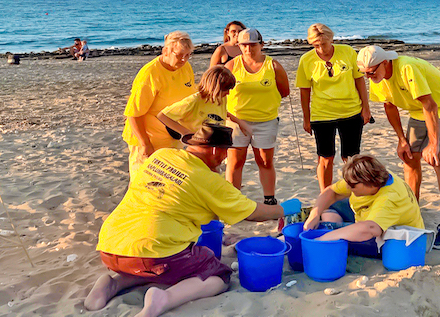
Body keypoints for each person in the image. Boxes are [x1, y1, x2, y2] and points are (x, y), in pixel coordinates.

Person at [84, 124, 301, 317]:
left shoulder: (162, 156)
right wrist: (284, 209)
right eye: (225, 152)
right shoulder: (209, 180)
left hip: (110, 247)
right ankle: (163, 300)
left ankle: (113, 283)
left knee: (158, 265)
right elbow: (252, 213)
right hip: (154, 251)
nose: (225, 158)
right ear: (216, 150)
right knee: (218, 275)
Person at [357, 45, 440, 249]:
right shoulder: (377, 77)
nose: (369, 77)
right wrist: (401, 140)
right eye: (364, 74)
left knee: (438, 158)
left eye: (371, 72)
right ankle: (412, 210)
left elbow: (430, 105)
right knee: (408, 157)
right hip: (419, 111)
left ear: (385, 63)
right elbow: (389, 106)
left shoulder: (407, 68)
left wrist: (434, 144)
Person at [296, 23, 371, 191]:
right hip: (321, 114)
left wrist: (366, 108)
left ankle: (353, 191)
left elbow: (359, 80)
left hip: (351, 111)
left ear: (331, 39)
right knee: (325, 157)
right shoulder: (306, 60)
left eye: (324, 44)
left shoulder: (347, 52)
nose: (321, 48)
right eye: (316, 45)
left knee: (351, 157)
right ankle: (325, 194)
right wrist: (306, 119)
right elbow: (304, 92)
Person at [225, 29, 290, 205]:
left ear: (261, 44)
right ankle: (234, 200)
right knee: (236, 161)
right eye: (244, 45)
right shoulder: (232, 66)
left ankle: (269, 198)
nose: (248, 49)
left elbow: (284, 92)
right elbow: (220, 93)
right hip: (237, 121)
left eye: (252, 44)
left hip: (266, 120)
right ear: (238, 46)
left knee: (265, 161)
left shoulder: (273, 65)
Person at [304, 154, 423, 245]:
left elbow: (370, 229)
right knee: (328, 204)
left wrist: (321, 239)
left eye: (353, 185)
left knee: (334, 230)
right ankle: (330, 226)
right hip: (366, 217)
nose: (348, 186)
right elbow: (331, 192)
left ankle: (331, 231)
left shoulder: (389, 200)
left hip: (394, 239)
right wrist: (314, 214)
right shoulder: (377, 176)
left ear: (369, 182)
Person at [123, 31, 196, 178]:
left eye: (187, 55)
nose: (183, 59)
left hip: (173, 139)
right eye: (179, 55)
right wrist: (145, 144)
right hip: (147, 139)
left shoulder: (186, 68)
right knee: (142, 184)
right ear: (166, 51)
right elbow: (133, 114)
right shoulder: (150, 74)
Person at [157, 65, 251, 140]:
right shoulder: (194, 100)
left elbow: (219, 113)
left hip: (215, 139)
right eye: (225, 89)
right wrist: (186, 133)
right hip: (199, 142)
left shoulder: (220, 97)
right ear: (214, 87)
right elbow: (163, 116)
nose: (228, 93)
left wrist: (239, 122)